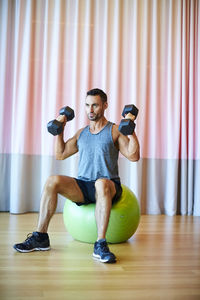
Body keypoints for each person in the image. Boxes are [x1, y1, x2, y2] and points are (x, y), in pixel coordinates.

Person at [13, 88, 140, 263]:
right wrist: (60, 131)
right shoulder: (82, 133)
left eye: (95, 105)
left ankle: (100, 244)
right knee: (52, 181)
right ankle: (40, 237)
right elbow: (61, 153)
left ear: (105, 105)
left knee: (101, 183)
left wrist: (131, 130)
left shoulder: (115, 130)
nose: (91, 110)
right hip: (84, 185)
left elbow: (133, 156)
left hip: (108, 185)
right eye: (87, 105)